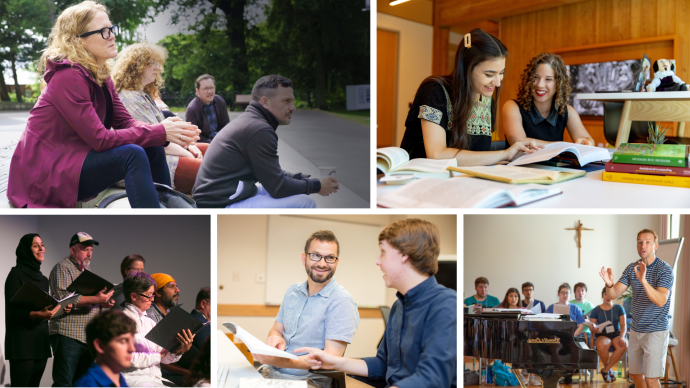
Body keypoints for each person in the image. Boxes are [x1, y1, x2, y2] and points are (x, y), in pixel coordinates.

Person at [7, 0, 200, 208]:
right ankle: (153, 227)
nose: (113, 36)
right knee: (132, 154)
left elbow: (124, 121)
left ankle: (165, 203)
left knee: (151, 146)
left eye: (112, 28)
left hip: (76, 158)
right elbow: (100, 139)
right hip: (47, 173)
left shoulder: (100, 74)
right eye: (104, 31)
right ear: (79, 41)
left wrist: (162, 133)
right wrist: (160, 132)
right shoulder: (68, 76)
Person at [296, 219, 457, 388]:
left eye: (383, 252)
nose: (378, 261)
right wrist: (334, 361)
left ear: (404, 254)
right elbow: (383, 365)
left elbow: (433, 378)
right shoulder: (399, 306)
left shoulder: (445, 305)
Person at [399, 28, 542, 166]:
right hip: (421, 181)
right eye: (489, 74)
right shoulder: (436, 90)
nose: (498, 82)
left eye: (501, 73)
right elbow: (437, 155)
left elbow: (476, 156)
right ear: (467, 68)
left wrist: (514, 155)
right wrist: (504, 154)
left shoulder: (486, 100)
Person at [192, 75, 339, 208]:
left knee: (298, 194)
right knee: (305, 203)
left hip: (228, 193)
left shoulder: (252, 122)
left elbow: (269, 172)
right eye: (287, 101)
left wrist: (300, 178)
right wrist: (316, 185)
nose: (293, 108)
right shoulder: (259, 130)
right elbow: (278, 187)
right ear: (265, 102)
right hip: (219, 204)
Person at [254, 230, 359, 387]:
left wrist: (282, 361)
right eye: (315, 255)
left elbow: (330, 360)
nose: (322, 264)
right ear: (304, 258)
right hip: (272, 373)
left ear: (336, 262)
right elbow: (276, 330)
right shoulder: (292, 291)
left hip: (308, 382)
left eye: (330, 257)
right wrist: (275, 338)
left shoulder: (341, 301)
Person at [112, 42, 209, 194]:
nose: (157, 67)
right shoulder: (129, 98)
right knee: (214, 171)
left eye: (158, 63)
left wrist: (190, 146)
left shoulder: (142, 94)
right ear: (135, 66)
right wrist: (190, 154)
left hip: (165, 152)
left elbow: (167, 135)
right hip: (156, 162)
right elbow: (156, 141)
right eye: (151, 63)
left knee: (213, 150)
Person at [599, 229, 673, 388]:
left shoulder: (665, 269)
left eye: (648, 242)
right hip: (636, 330)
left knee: (651, 379)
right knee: (635, 374)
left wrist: (644, 281)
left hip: (656, 330)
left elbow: (661, 300)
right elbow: (613, 294)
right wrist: (609, 283)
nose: (643, 245)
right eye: (640, 242)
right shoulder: (631, 268)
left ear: (656, 246)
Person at [4, 234, 72, 387]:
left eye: (42, 244)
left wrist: (60, 309)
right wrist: (38, 314)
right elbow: (12, 312)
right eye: (36, 245)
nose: (41, 248)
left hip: (40, 342)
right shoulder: (16, 275)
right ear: (26, 250)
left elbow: (44, 310)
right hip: (21, 344)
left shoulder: (43, 280)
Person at [49, 232, 115, 386]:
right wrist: (96, 299)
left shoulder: (87, 272)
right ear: (73, 250)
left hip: (86, 336)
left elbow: (86, 301)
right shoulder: (62, 268)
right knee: (64, 382)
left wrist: (101, 303)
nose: (89, 254)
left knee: (83, 383)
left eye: (91, 250)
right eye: (85, 249)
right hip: (68, 334)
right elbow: (64, 298)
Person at [503, 52, 595, 147]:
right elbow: (519, 142)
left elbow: (588, 140)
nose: (539, 84)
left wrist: (587, 142)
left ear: (558, 84)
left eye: (548, 79)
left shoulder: (568, 111)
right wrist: (562, 146)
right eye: (535, 77)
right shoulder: (512, 106)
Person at [120, 271, 195, 386]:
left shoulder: (149, 322)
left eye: (153, 295)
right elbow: (125, 357)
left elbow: (163, 358)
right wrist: (157, 356)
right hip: (133, 380)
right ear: (134, 296)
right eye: (149, 295)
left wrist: (178, 351)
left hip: (155, 379)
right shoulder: (120, 320)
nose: (152, 299)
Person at [74, 310, 137, 387]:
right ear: (100, 346)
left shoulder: (122, 382)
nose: (132, 349)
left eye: (132, 341)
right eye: (123, 341)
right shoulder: (87, 385)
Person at [589, 287, 627, 383]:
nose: (608, 296)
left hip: (616, 334)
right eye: (606, 294)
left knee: (624, 344)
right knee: (602, 345)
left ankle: (605, 369)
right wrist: (594, 329)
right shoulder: (596, 309)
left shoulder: (619, 308)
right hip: (602, 335)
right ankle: (608, 370)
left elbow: (623, 325)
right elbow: (591, 327)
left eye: (610, 294)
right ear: (603, 295)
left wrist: (622, 337)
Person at [185, 74, 231, 142]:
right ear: (197, 91)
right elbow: (195, 135)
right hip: (205, 144)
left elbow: (226, 125)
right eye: (205, 89)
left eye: (211, 88)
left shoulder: (220, 102)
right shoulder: (192, 109)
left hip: (221, 140)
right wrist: (212, 143)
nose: (209, 92)